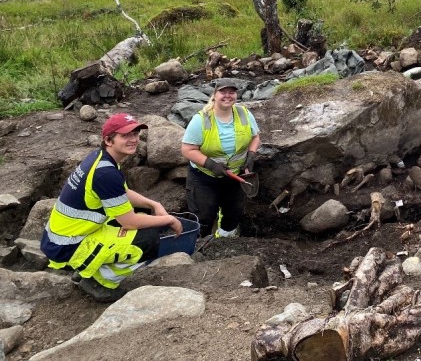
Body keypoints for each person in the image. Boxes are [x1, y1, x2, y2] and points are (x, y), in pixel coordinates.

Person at [40, 113, 182, 303]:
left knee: (145, 216)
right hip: (68, 246)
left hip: (65, 236)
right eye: (125, 135)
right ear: (108, 140)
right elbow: (129, 222)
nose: (133, 140)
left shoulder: (100, 159)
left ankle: (87, 269)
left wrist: (153, 204)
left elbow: (123, 193)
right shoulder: (106, 173)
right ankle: (99, 282)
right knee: (148, 240)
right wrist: (169, 219)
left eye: (135, 134)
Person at [181, 79, 261, 238]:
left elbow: (255, 137)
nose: (227, 96)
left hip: (235, 176)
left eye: (231, 92)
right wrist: (210, 164)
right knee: (203, 214)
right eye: (223, 92)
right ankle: (200, 243)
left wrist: (251, 155)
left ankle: (226, 240)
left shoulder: (243, 113)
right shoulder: (201, 119)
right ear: (215, 95)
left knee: (233, 212)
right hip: (205, 176)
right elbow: (187, 149)